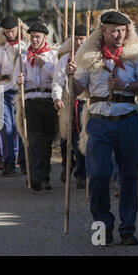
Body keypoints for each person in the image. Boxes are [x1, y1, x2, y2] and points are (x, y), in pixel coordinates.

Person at [67, 10, 138, 245]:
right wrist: (70, 77)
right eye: (114, 30)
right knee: (98, 176)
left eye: (123, 30)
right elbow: (76, 91)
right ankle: (103, 227)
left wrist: (126, 85)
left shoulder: (134, 55)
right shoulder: (87, 56)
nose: (119, 35)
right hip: (98, 123)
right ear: (103, 31)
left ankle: (128, 230)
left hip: (127, 120)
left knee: (129, 177)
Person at [16, 22, 58, 191]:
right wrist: (19, 80)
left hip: (48, 99)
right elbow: (16, 79)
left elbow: (59, 76)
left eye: (37, 37)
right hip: (31, 99)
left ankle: (45, 176)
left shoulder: (53, 55)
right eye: (31, 36)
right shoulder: (23, 56)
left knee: (46, 142)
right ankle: (34, 176)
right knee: (34, 140)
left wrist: (44, 65)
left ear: (44, 38)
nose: (33, 39)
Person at [0, 16, 28, 174]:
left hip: (20, 90)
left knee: (21, 126)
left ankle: (24, 161)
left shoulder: (25, 46)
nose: (10, 34)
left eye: (12, 31)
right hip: (3, 89)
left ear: (18, 29)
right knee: (7, 126)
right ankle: (8, 161)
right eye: (7, 32)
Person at [52, 25, 88, 189]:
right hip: (71, 103)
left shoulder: (91, 57)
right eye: (77, 39)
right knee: (73, 139)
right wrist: (57, 98)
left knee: (88, 139)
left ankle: (88, 172)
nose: (80, 42)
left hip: (89, 103)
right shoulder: (65, 59)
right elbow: (57, 81)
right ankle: (79, 173)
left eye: (82, 39)